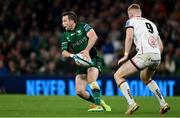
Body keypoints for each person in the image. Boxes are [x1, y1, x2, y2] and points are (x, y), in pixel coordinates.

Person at [114, 4, 170, 115]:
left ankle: (132, 103)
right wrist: (156, 57)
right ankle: (163, 104)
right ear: (140, 13)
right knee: (145, 77)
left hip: (145, 54)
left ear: (130, 14)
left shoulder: (131, 21)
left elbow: (129, 37)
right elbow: (161, 46)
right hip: (157, 55)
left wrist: (125, 55)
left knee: (118, 75)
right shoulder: (152, 24)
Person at [61, 11, 111, 112]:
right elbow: (63, 52)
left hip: (93, 58)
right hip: (81, 61)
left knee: (91, 80)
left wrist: (87, 51)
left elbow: (94, 36)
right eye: (62, 21)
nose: (63, 23)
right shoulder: (65, 34)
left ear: (72, 21)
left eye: (65, 21)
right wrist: (73, 55)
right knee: (79, 91)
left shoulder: (83, 26)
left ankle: (99, 107)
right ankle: (99, 102)